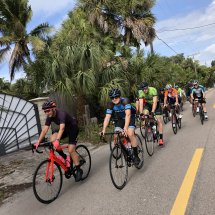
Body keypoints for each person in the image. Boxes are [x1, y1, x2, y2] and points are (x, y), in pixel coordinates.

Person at [34, 100, 82, 182]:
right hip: (64, 129)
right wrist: (38, 142)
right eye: (45, 111)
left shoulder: (61, 114)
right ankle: (65, 157)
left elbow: (62, 128)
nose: (47, 113)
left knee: (71, 150)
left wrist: (57, 140)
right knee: (52, 139)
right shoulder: (49, 117)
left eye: (48, 110)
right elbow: (45, 130)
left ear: (53, 109)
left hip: (72, 128)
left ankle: (79, 170)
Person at [101, 88, 140, 166]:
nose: (114, 99)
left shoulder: (125, 101)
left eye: (116, 97)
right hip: (121, 119)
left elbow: (128, 115)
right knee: (117, 135)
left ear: (120, 96)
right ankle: (127, 148)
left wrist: (125, 128)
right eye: (112, 97)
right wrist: (104, 130)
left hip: (131, 117)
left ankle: (136, 156)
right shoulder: (111, 104)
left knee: (130, 134)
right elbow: (107, 117)